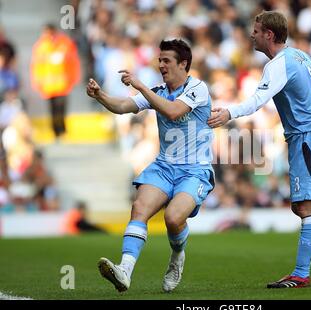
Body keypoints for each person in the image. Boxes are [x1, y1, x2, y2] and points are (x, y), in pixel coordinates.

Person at [208, 11, 311, 288]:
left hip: (307, 137)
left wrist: (228, 113)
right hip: (309, 136)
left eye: (256, 31)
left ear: (268, 34)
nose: (252, 35)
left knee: (306, 206)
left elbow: (259, 100)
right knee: (302, 204)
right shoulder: (300, 55)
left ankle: (301, 274)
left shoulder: (278, 65)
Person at [86, 39, 215, 293]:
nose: (161, 65)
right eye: (160, 60)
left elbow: (173, 112)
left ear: (183, 64)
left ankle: (177, 256)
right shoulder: (158, 90)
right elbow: (123, 106)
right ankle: (124, 271)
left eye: (167, 60)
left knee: (173, 218)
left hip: (195, 169)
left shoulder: (198, 88)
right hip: (164, 166)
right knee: (139, 207)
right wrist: (100, 95)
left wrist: (141, 86)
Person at [31, 23, 81, 139]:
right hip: (48, 85)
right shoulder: (41, 46)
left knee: (62, 108)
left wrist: (73, 78)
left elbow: (73, 62)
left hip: (62, 83)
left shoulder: (65, 44)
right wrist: (37, 81)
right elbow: (36, 65)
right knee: (52, 109)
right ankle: (55, 131)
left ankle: (62, 130)